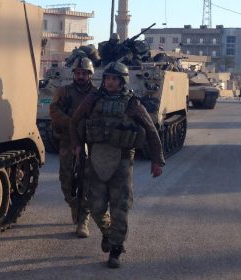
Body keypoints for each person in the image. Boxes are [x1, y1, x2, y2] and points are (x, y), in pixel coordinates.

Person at [69, 61, 165, 268]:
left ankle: (116, 249)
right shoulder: (93, 99)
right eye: (107, 79)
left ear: (122, 82)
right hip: (96, 158)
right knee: (95, 206)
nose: (110, 82)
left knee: (120, 207)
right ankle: (108, 232)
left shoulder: (132, 104)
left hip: (122, 160)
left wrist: (157, 160)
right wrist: (76, 145)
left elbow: (151, 130)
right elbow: (74, 122)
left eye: (114, 79)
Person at [49, 56, 96, 238]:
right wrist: (71, 122)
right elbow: (54, 110)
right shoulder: (64, 91)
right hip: (68, 140)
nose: (80, 76)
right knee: (66, 179)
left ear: (90, 74)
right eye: (78, 73)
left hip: (89, 142)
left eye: (84, 73)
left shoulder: (96, 94)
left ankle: (84, 218)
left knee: (87, 180)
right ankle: (74, 205)